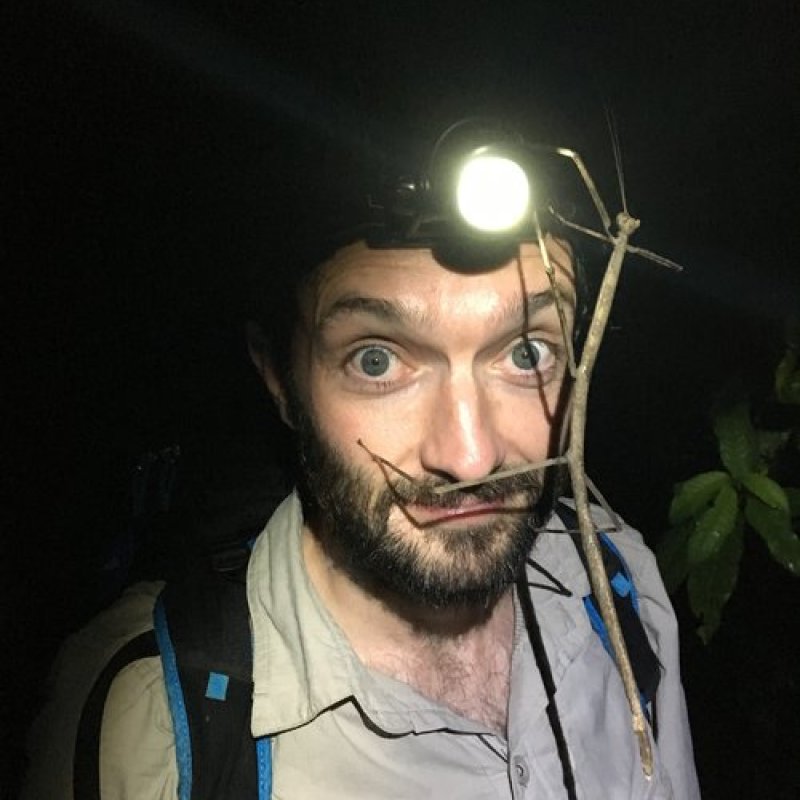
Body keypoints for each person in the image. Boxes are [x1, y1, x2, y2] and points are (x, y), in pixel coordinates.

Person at [22, 120, 700, 799]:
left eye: (527, 352)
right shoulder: (143, 722)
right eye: (375, 361)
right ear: (279, 380)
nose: (470, 460)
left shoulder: (619, 584)